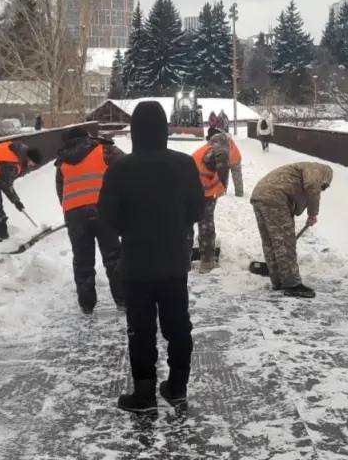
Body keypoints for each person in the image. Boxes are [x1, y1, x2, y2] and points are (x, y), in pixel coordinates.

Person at [98, 101, 204, 412]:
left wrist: (130, 229)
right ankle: (177, 387)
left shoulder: (120, 169)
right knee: (178, 326)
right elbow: (197, 209)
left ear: (134, 131)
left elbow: (107, 217)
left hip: (137, 264)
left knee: (140, 330)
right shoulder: (184, 164)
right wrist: (175, 224)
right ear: (164, 129)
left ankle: (144, 394)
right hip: (174, 261)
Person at [55, 127, 126, 314]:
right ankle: (123, 300)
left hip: (74, 214)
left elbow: (61, 190)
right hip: (103, 210)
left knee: (82, 261)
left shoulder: (62, 159)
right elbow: (128, 168)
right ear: (87, 136)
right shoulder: (104, 149)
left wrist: (70, 212)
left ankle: (86, 305)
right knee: (113, 257)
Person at [250, 162, 333, 298]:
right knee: (285, 242)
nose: (321, 189)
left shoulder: (300, 171)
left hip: (259, 195)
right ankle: (292, 284)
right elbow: (312, 186)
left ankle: (278, 280)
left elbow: (298, 199)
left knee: (271, 241)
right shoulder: (317, 170)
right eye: (323, 186)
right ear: (326, 177)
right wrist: (313, 214)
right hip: (275, 196)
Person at [0, 140, 43, 242]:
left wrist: (16, 200)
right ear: (29, 158)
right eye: (33, 163)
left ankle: (3, 232)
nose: (33, 166)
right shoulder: (12, 163)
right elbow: (5, 184)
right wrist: (16, 201)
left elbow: (7, 182)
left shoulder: (21, 155)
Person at [192, 128, 232, 273]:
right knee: (206, 224)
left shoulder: (205, 149)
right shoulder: (219, 147)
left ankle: (182, 261)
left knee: (186, 224)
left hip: (188, 188)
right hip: (202, 191)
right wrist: (223, 184)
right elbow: (222, 159)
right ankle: (207, 262)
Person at [226, 130, 244, 197]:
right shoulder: (230, 141)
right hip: (236, 159)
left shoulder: (223, 144)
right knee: (237, 177)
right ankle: (239, 193)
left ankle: (222, 192)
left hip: (234, 161)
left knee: (224, 177)